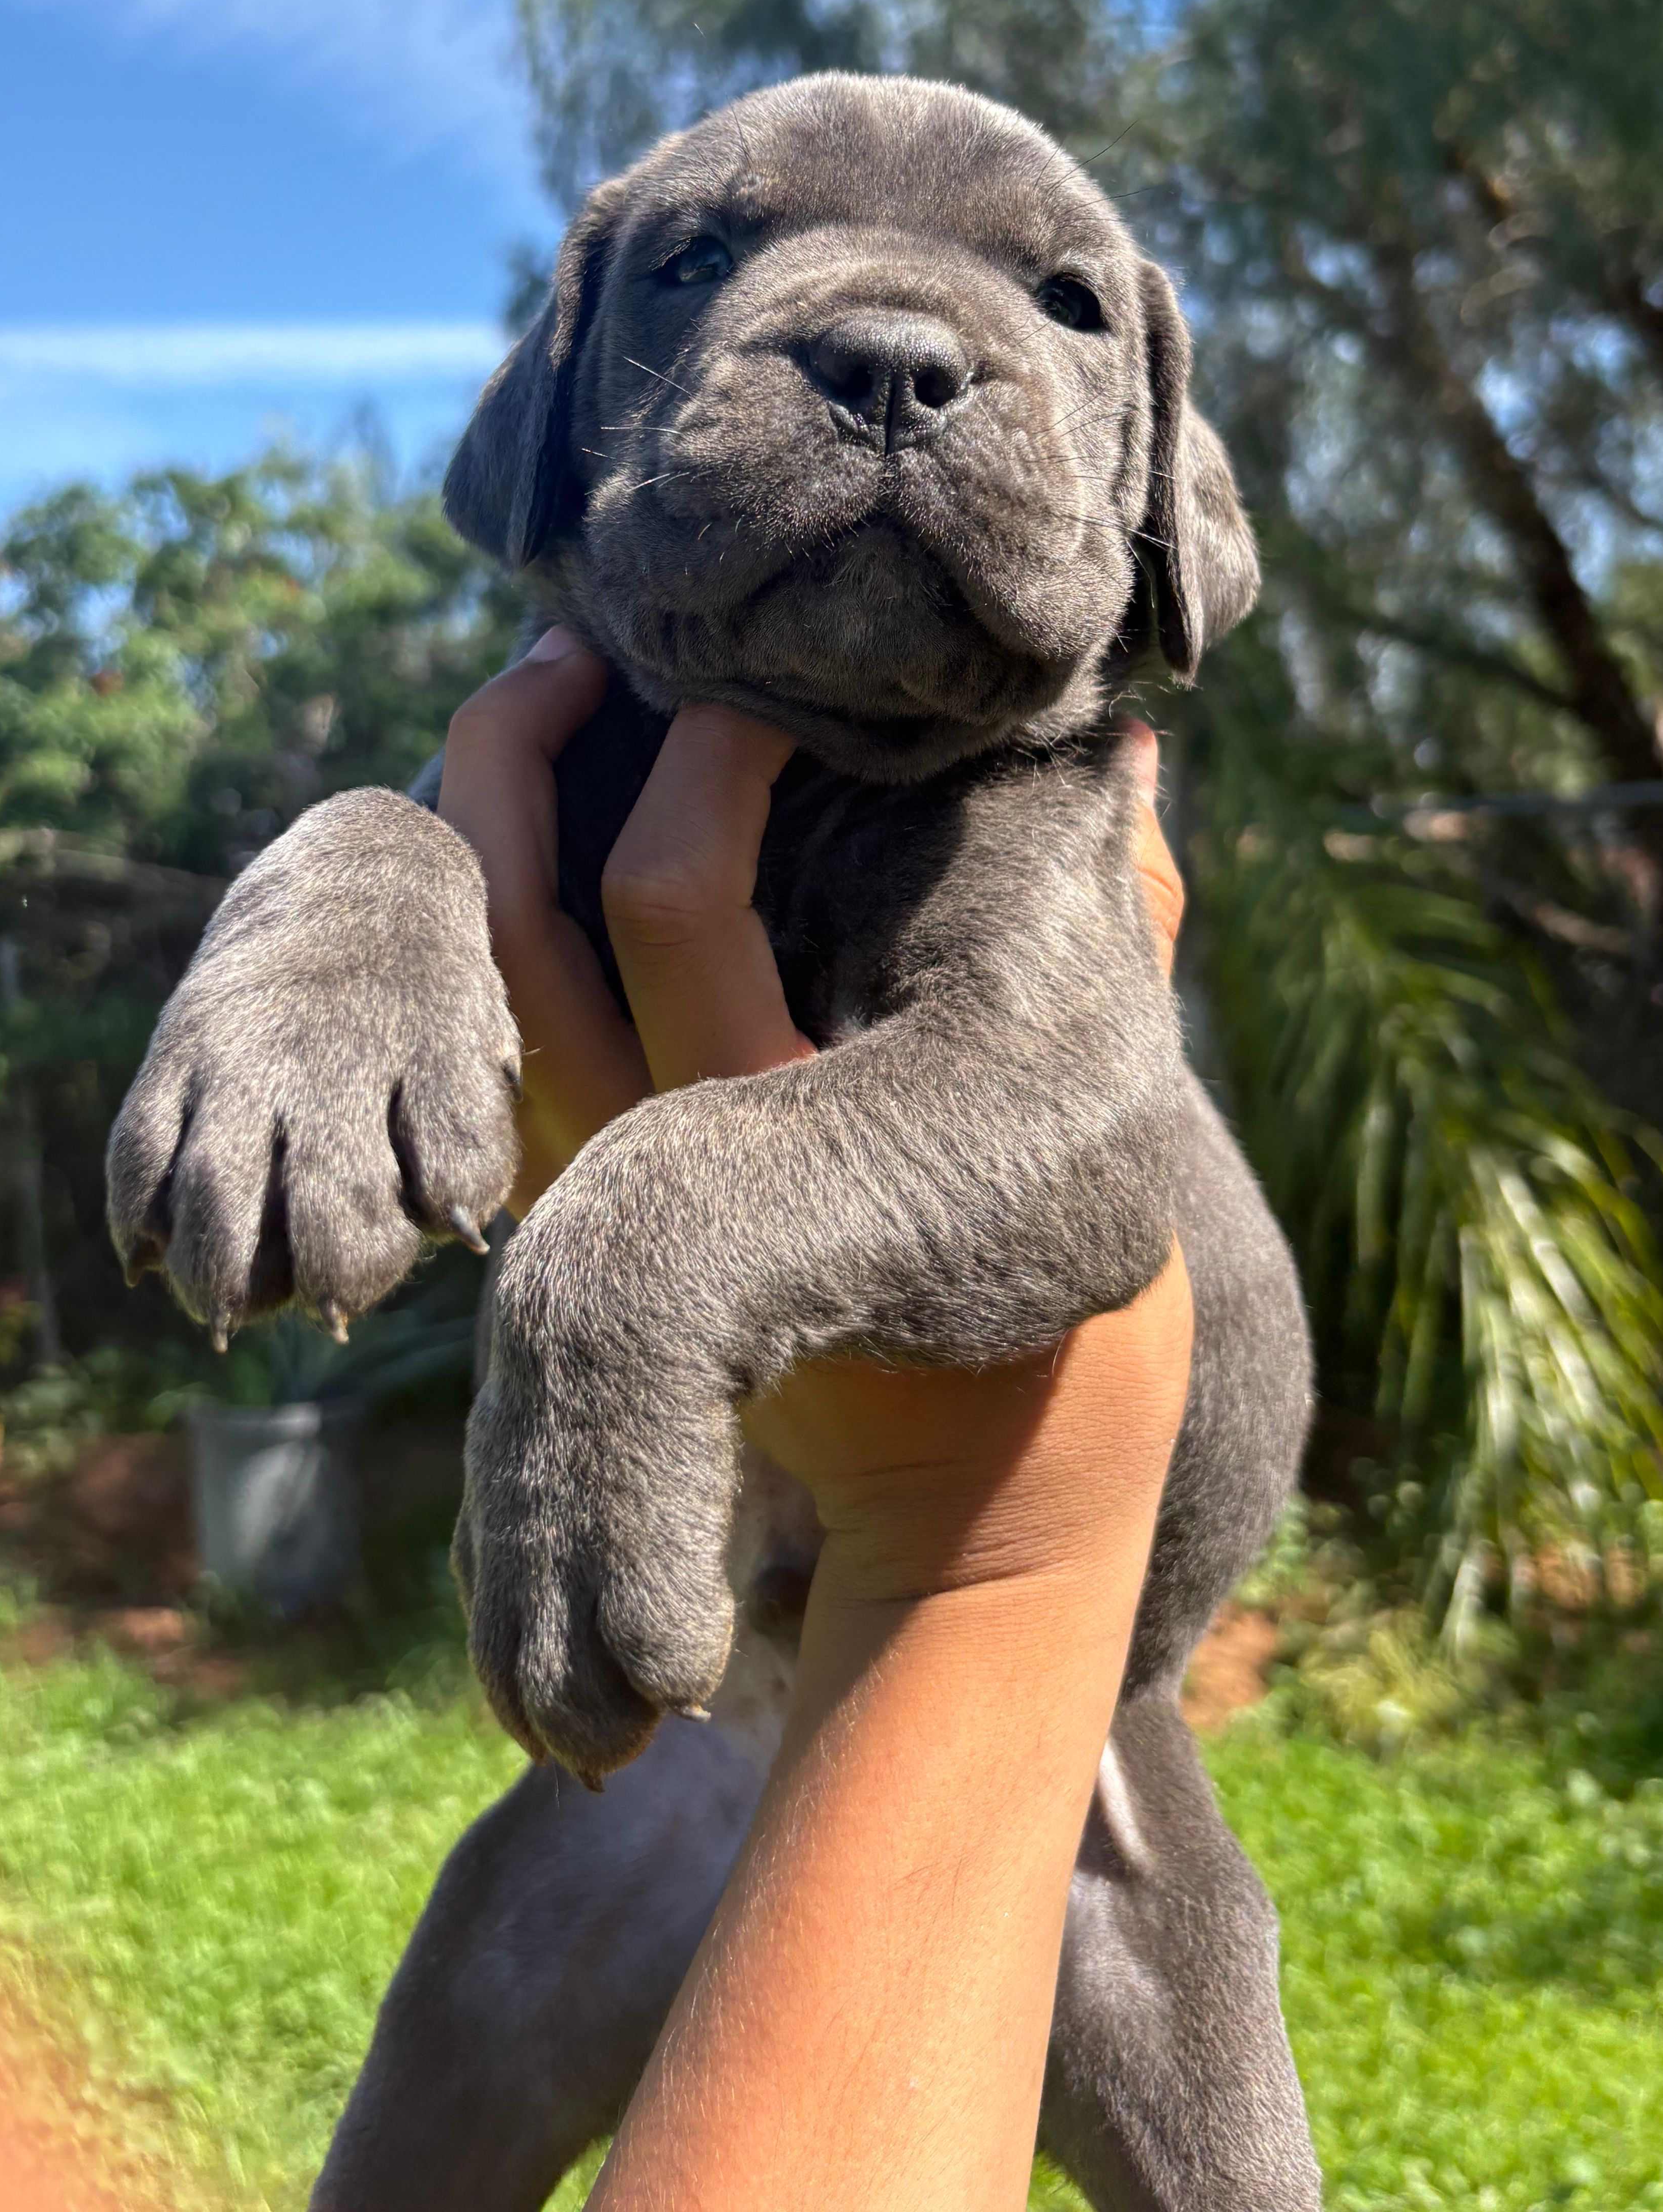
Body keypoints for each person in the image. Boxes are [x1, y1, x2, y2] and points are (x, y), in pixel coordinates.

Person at [435, 629, 1198, 2212]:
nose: (902, 368)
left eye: (1068, 352)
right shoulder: (568, 731)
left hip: (1087, 1767)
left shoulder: (1037, 790)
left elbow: (1072, 1143)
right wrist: (354, 909)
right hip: (723, 1717)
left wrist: (983, 1552)